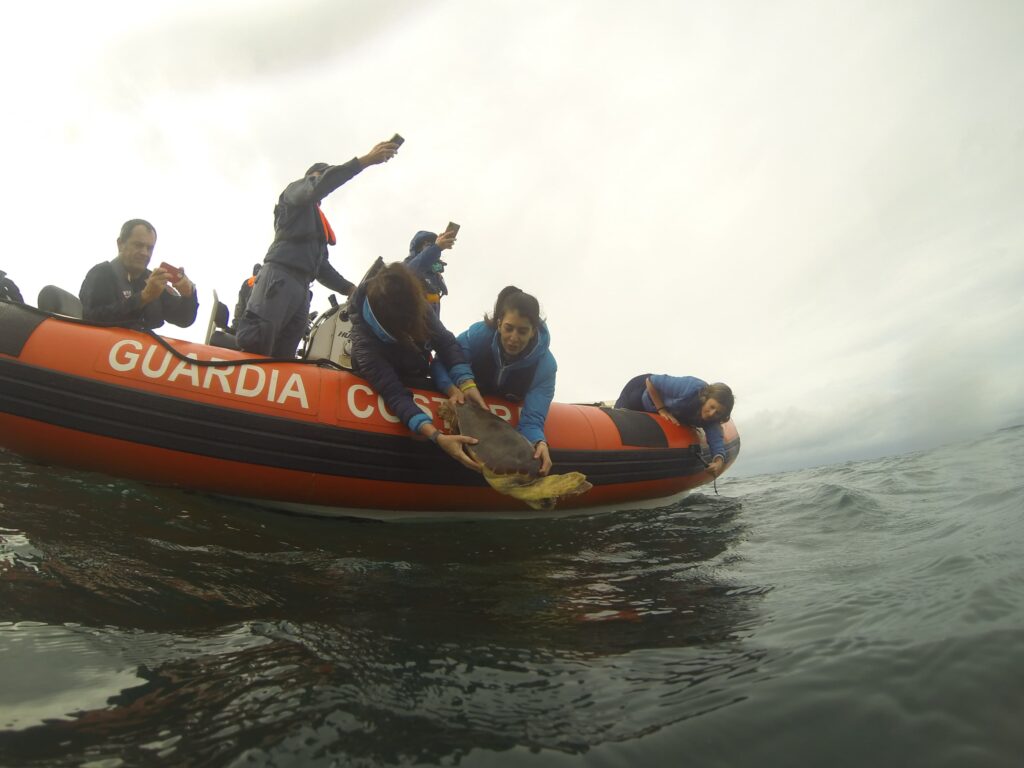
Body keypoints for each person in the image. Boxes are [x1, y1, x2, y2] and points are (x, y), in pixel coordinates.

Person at [236, 139, 399, 359]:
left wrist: (350, 289)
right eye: (320, 176)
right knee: (258, 339)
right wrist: (365, 161)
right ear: (312, 177)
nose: (322, 183)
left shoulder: (317, 227)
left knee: (285, 353)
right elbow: (318, 186)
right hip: (279, 277)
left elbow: (321, 267)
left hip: (302, 289)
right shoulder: (293, 195)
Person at [349, 262, 485, 470]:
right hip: (392, 376)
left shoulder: (413, 303)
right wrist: (437, 437)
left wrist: (466, 383)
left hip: (419, 371)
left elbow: (445, 342)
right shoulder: (365, 346)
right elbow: (394, 394)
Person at [433, 286, 557, 475]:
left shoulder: (545, 367)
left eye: (523, 331)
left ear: (533, 332)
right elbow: (439, 363)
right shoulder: (478, 336)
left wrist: (539, 442)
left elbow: (532, 421)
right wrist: (453, 389)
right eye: (509, 328)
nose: (513, 338)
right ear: (499, 324)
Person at [79, 219, 198, 330]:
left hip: (141, 348)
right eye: (138, 245)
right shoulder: (102, 274)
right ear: (120, 244)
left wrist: (188, 295)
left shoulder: (154, 280)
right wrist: (143, 297)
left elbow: (183, 319)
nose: (144, 253)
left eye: (149, 248)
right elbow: (91, 318)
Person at [615, 375, 735, 477]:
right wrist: (662, 410)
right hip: (640, 391)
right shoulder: (690, 388)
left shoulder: (712, 420)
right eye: (712, 406)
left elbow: (716, 441)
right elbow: (650, 380)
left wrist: (718, 462)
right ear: (705, 398)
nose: (712, 413)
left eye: (718, 412)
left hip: (654, 411)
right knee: (618, 425)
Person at [403, 228, 457, 315]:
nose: (431, 247)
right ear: (418, 248)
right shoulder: (407, 266)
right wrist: (437, 247)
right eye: (428, 245)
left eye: (433, 244)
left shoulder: (435, 277)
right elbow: (409, 273)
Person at [228, 263, 261, 334]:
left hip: (244, 329)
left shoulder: (248, 282)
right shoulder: (268, 284)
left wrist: (235, 326)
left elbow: (240, 307)